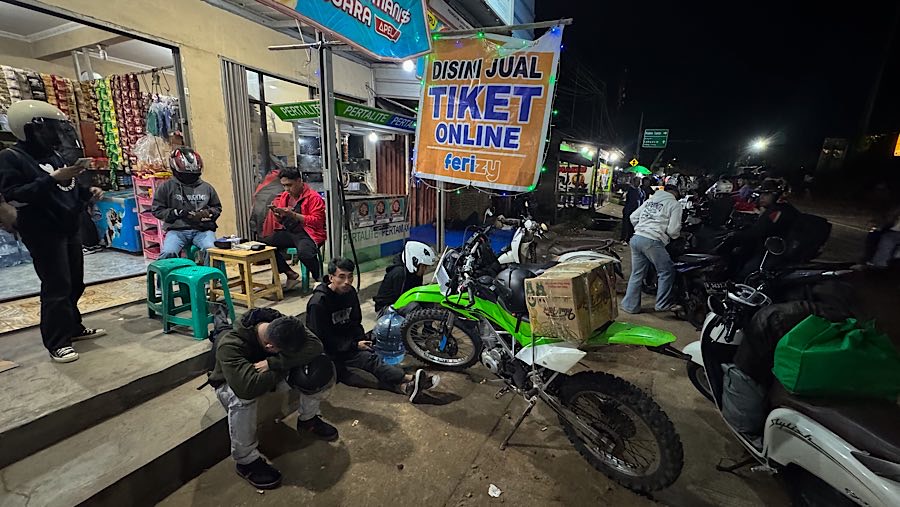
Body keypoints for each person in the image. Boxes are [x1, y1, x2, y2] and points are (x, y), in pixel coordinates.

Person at [0, 100, 106, 363]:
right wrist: (51, 179)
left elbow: (66, 188)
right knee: (56, 287)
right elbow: (14, 196)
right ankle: (57, 341)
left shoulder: (53, 156)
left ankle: (73, 327)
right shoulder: (11, 158)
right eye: (49, 128)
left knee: (74, 282)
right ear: (31, 129)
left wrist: (86, 193)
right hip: (43, 231)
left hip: (68, 227)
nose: (55, 134)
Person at [208, 308, 338, 490]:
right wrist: (289, 363)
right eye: (280, 353)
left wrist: (274, 363)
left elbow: (315, 345)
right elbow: (247, 388)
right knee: (241, 399)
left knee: (316, 366)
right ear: (270, 347)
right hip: (233, 383)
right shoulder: (230, 345)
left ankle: (309, 418)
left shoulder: (281, 322)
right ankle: (245, 460)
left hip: (267, 373)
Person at [307, 257, 439, 402]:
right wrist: (353, 345)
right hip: (329, 352)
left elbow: (355, 321)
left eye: (350, 276)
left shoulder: (350, 293)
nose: (347, 281)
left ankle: (407, 387)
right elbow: (320, 338)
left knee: (373, 358)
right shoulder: (318, 303)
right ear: (331, 277)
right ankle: (410, 380)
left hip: (348, 344)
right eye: (341, 277)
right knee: (361, 373)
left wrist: (360, 339)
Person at [718, 178, 800, 280]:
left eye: (766, 194)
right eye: (761, 194)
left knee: (745, 275)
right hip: (774, 248)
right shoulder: (783, 209)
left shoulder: (778, 211)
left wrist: (735, 234)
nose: (761, 197)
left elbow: (758, 231)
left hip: (771, 253)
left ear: (776, 195)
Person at [620, 184, 684, 314]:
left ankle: (629, 306)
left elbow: (633, 217)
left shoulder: (651, 200)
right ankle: (662, 304)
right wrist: (674, 236)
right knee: (666, 271)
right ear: (675, 194)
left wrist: (642, 228)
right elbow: (673, 231)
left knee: (637, 274)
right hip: (652, 241)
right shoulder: (674, 204)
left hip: (636, 238)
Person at [151, 147, 222, 264]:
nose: (189, 179)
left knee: (212, 250)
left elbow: (217, 208)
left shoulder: (207, 188)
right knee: (168, 253)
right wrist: (176, 213)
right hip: (177, 230)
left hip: (202, 230)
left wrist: (207, 213)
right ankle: (164, 281)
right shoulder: (166, 187)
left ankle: (211, 280)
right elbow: (157, 210)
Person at [262, 168, 326, 290]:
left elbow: (317, 222)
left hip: (310, 233)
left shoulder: (313, 197)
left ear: (299, 181)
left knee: (305, 253)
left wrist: (293, 215)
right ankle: (289, 272)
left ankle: (319, 278)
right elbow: (281, 219)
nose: (286, 189)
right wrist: (278, 216)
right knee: (264, 246)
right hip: (291, 232)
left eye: (289, 185)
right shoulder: (285, 196)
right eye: (284, 185)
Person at [373, 241, 437, 314]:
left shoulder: (414, 271)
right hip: (387, 307)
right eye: (424, 266)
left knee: (428, 299)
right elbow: (400, 299)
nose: (425, 270)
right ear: (415, 261)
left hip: (401, 301)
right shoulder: (399, 273)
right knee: (413, 307)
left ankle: (427, 325)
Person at [620, 176, 644, 243]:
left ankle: (629, 239)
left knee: (633, 226)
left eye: (639, 182)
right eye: (637, 181)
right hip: (629, 210)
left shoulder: (640, 190)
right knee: (626, 225)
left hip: (636, 211)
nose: (638, 183)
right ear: (633, 182)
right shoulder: (630, 190)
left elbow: (641, 200)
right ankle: (624, 239)